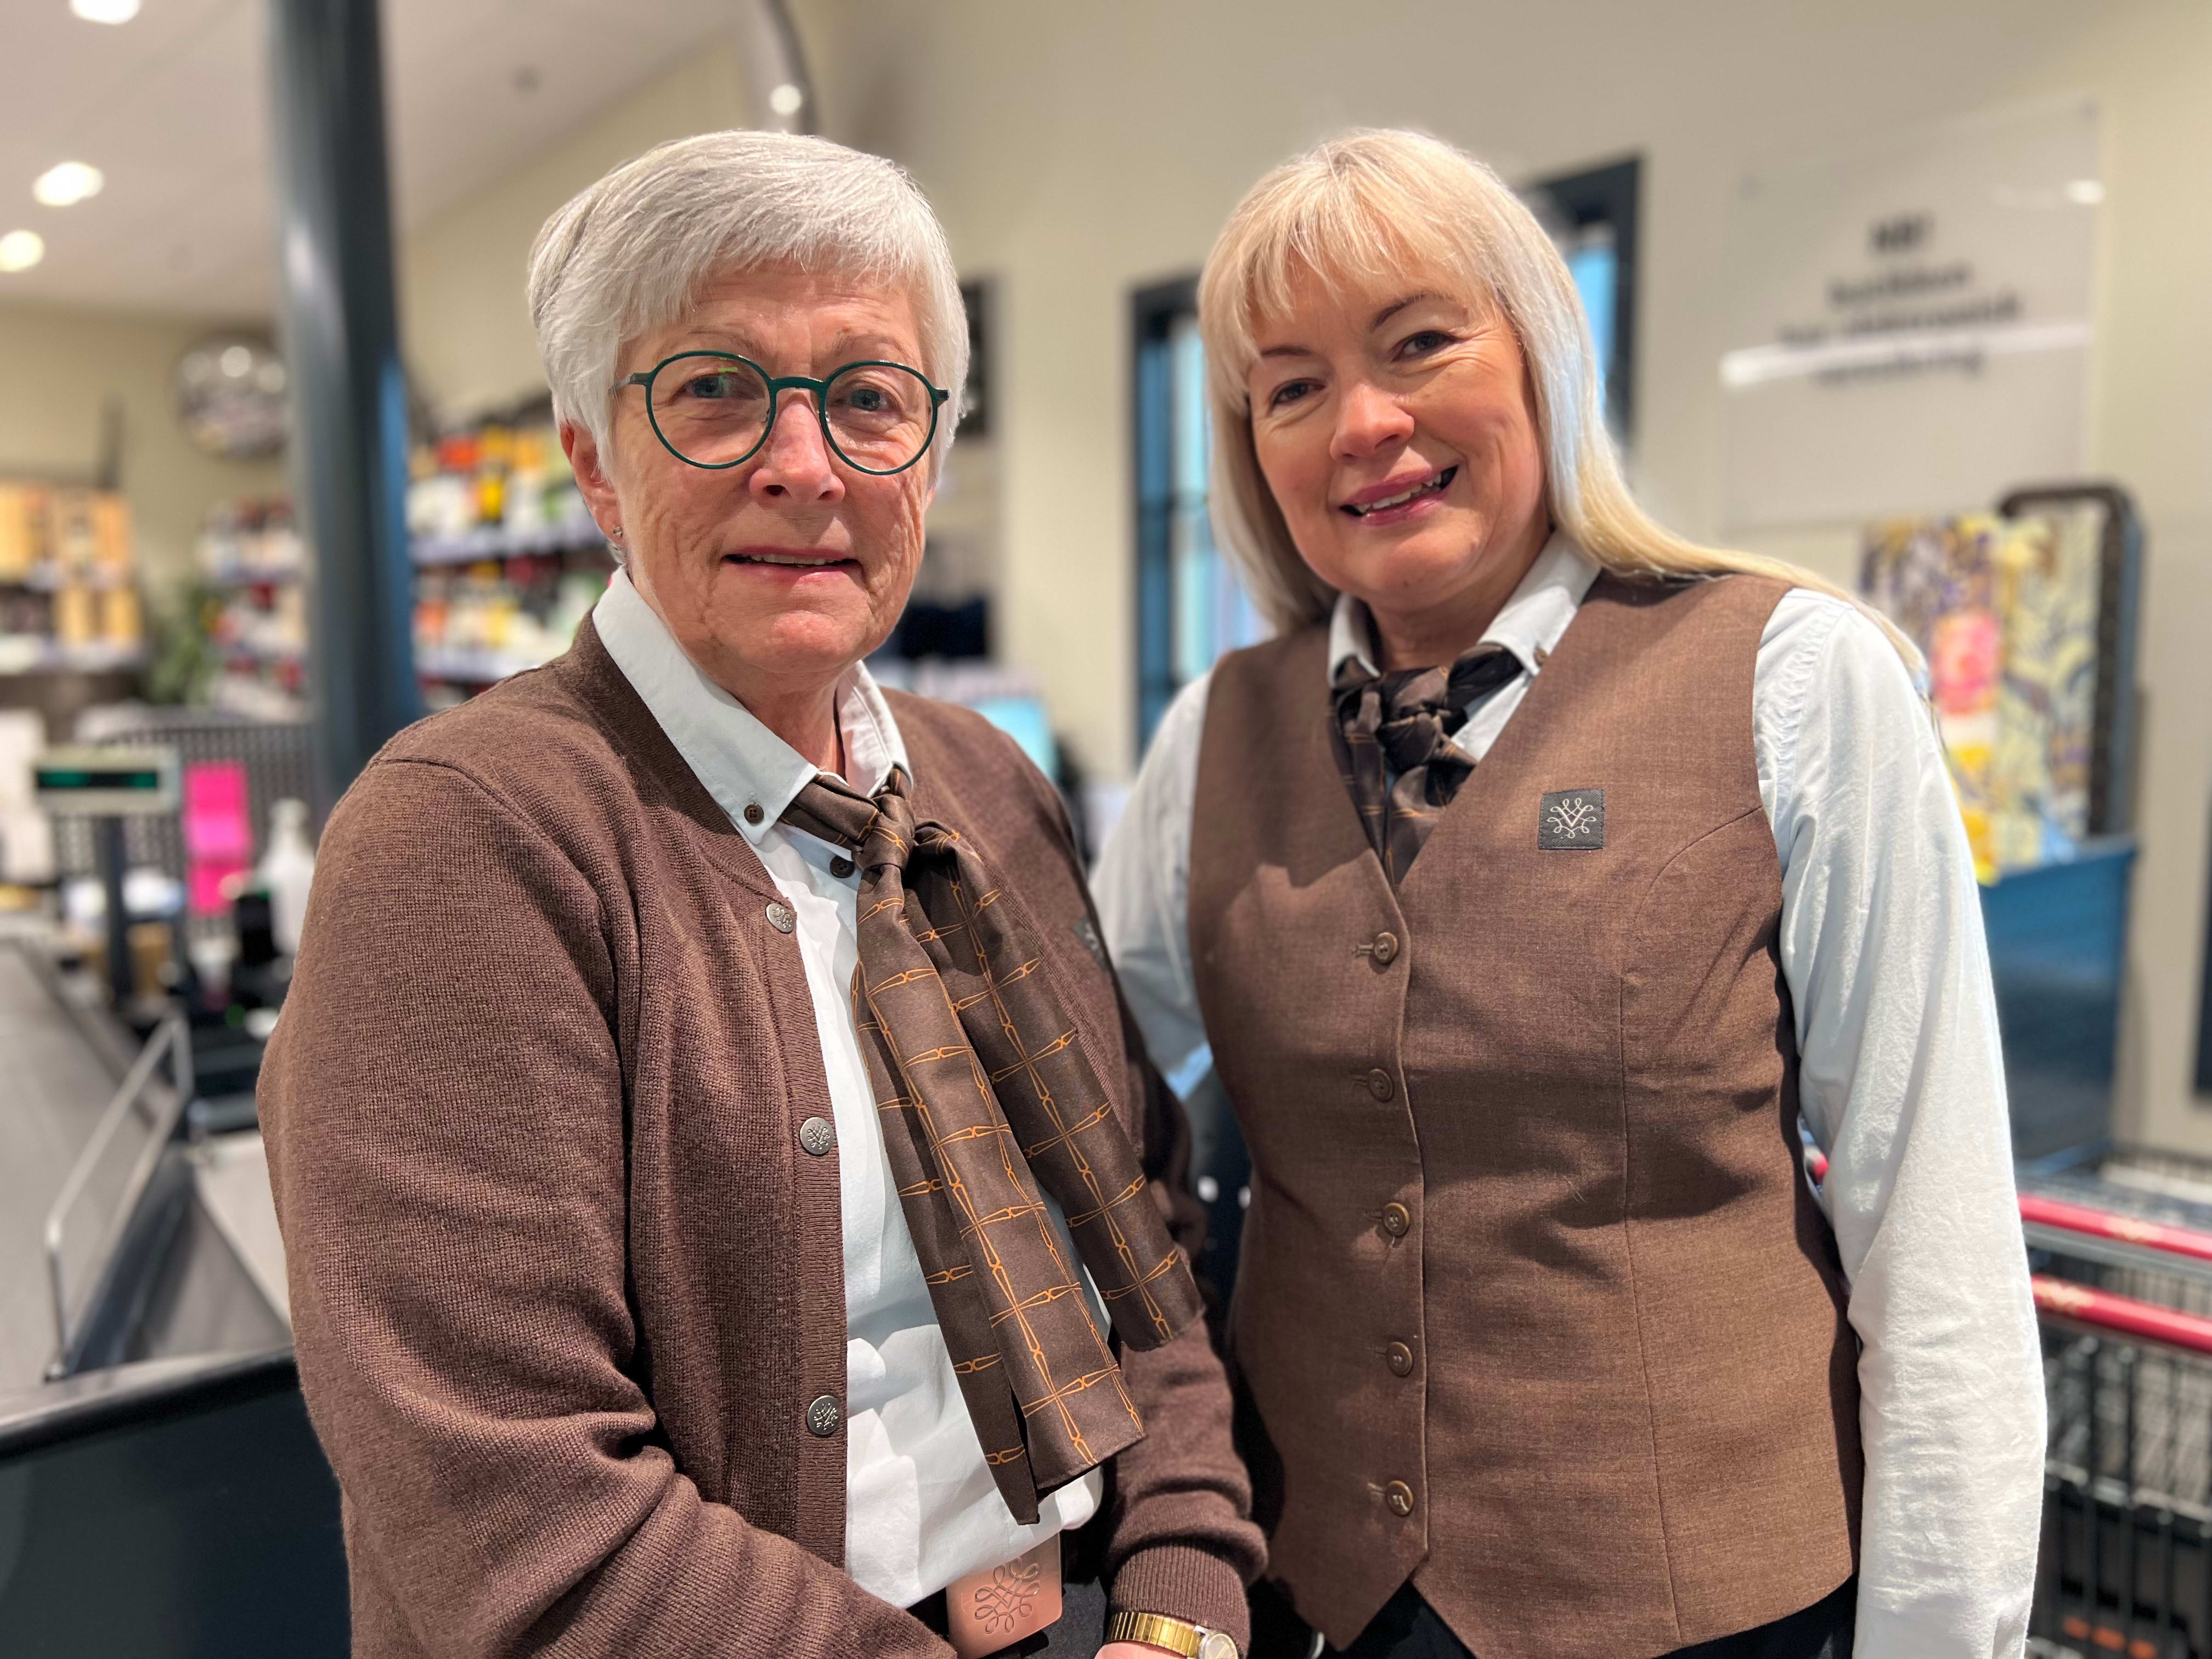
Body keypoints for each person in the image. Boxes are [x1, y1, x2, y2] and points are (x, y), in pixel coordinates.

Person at [261, 131, 1261, 1659]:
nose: (806, 464)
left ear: (929, 455)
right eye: (717, 389)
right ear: (594, 459)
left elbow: (1143, 1245)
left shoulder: (987, 785)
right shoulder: (464, 840)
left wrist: (1182, 1600)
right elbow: (513, 1508)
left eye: (872, 397)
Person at [1093, 129, 2043, 1659]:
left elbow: (1931, 1219)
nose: (1366, 422)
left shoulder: (1794, 678)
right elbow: (1073, 1102)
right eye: (1293, 386)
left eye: (1420, 342)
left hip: (1710, 1610)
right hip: (1313, 1591)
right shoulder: (1215, 735)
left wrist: (1943, 1632)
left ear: (1543, 353)